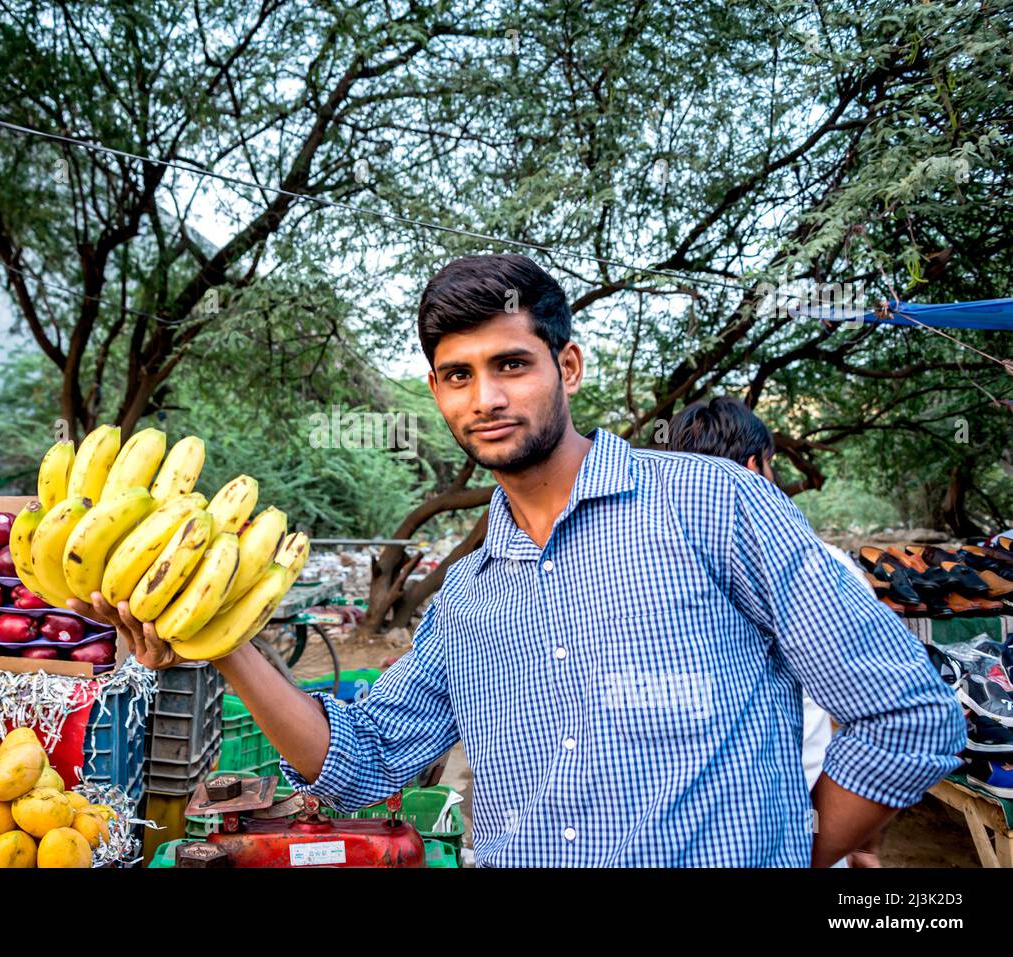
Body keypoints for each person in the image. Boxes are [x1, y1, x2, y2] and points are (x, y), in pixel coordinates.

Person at [71, 253, 965, 867]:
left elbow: (908, 713)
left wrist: (792, 851)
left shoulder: (714, 505)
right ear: (436, 392)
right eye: (458, 375)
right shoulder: (467, 594)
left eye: (511, 364)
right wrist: (224, 639)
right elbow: (361, 761)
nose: (486, 397)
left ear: (567, 365)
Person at [667, 396, 883, 867]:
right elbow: (877, 718)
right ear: (754, 467)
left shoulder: (628, 570)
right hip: (785, 828)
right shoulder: (819, 565)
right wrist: (851, 843)